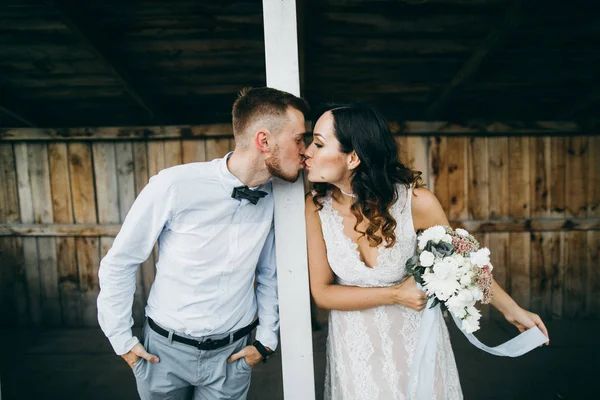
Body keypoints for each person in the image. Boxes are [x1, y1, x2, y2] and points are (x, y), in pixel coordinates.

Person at [304, 104, 549, 400]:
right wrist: (395, 294)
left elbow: (464, 262)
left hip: (414, 341)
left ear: (353, 157)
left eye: (318, 143)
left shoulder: (415, 202)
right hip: (356, 348)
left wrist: (513, 310)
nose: (307, 151)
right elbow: (322, 293)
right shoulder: (315, 208)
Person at [97, 87, 309, 400]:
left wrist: (265, 340)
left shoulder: (279, 197)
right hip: (162, 355)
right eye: (299, 139)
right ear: (264, 141)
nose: (306, 150)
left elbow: (269, 275)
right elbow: (120, 262)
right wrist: (122, 341)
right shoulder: (174, 185)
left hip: (233, 358)